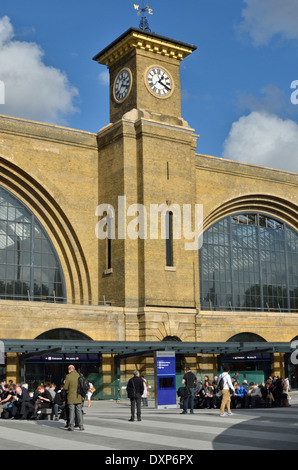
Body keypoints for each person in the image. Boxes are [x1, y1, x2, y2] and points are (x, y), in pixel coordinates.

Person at [63, 364, 84, 431]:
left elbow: (65, 387)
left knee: (71, 411)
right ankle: (81, 426)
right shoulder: (80, 375)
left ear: (69, 370)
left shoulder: (68, 376)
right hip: (79, 396)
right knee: (79, 411)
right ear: (74, 369)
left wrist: (65, 383)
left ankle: (71, 426)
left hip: (71, 397)